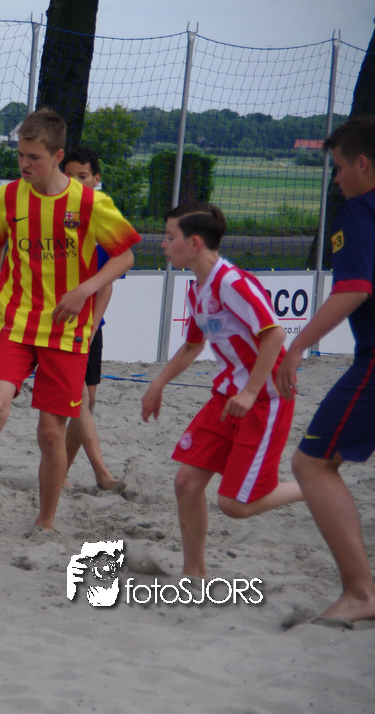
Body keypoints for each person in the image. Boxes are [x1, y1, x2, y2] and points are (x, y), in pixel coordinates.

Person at [0, 109, 140, 542]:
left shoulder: (91, 203)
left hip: (66, 331)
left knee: (50, 434)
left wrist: (85, 290)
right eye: (20, 155)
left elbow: (125, 257)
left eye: (34, 157)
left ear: (58, 155)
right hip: (15, 323)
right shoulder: (6, 197)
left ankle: (45, 520)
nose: (24, 164)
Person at [141, 203, 303, 577]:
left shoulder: (233, 283)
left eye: (169, 236)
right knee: (186, 483)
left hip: (264, 400)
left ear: (195, 243)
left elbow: (275, 335)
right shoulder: (197, 289)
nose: (163, 244)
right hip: (226, 397)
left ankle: (313, 487)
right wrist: (157, 384)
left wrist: (250, 392)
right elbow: (192, 346)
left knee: (234, 505)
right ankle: (194, 573)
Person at [274, 115, 375, 622]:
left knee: (312, 464)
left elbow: (354, 289)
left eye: (338, 167)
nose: (336, 179)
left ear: (362, 164)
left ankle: (360, 594)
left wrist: (297, 346)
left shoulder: (357, 212)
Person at [60, 146, 119, 491]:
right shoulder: (55, 215)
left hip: (90, 325)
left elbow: (107, 284)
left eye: (82, 176)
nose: (75, 182)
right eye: (68, 176)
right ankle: (101, 472)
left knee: (89, 400)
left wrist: (93, 326)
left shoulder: (102, 217)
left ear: (96, 179)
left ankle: (60, 472)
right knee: (78, 400)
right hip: (58, 323)